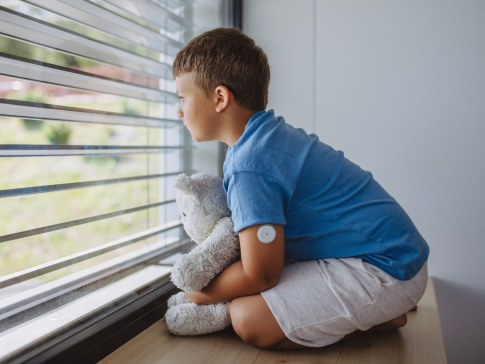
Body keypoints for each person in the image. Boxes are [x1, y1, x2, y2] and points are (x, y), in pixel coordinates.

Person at [174, 28, 430, 350]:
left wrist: (196, 293)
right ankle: (377, 310)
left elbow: (262, 274)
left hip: (389, 268)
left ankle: (380, 317)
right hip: (390, 255)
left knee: (248, 318)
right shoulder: (267, 137)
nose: (179, 111)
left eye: (183, 98)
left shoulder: (250, 164)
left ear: (220, 98)